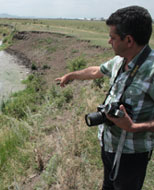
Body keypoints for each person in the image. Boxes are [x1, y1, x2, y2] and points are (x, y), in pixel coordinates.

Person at [55, 6, 154, 190]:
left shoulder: (151, 70)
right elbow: (96, 71)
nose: (109, 41)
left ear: (129, 40)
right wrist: (71, 75)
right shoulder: (120, 60)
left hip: (132, 154)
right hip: (109, 146)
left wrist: (133, 127)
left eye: (113, 37)